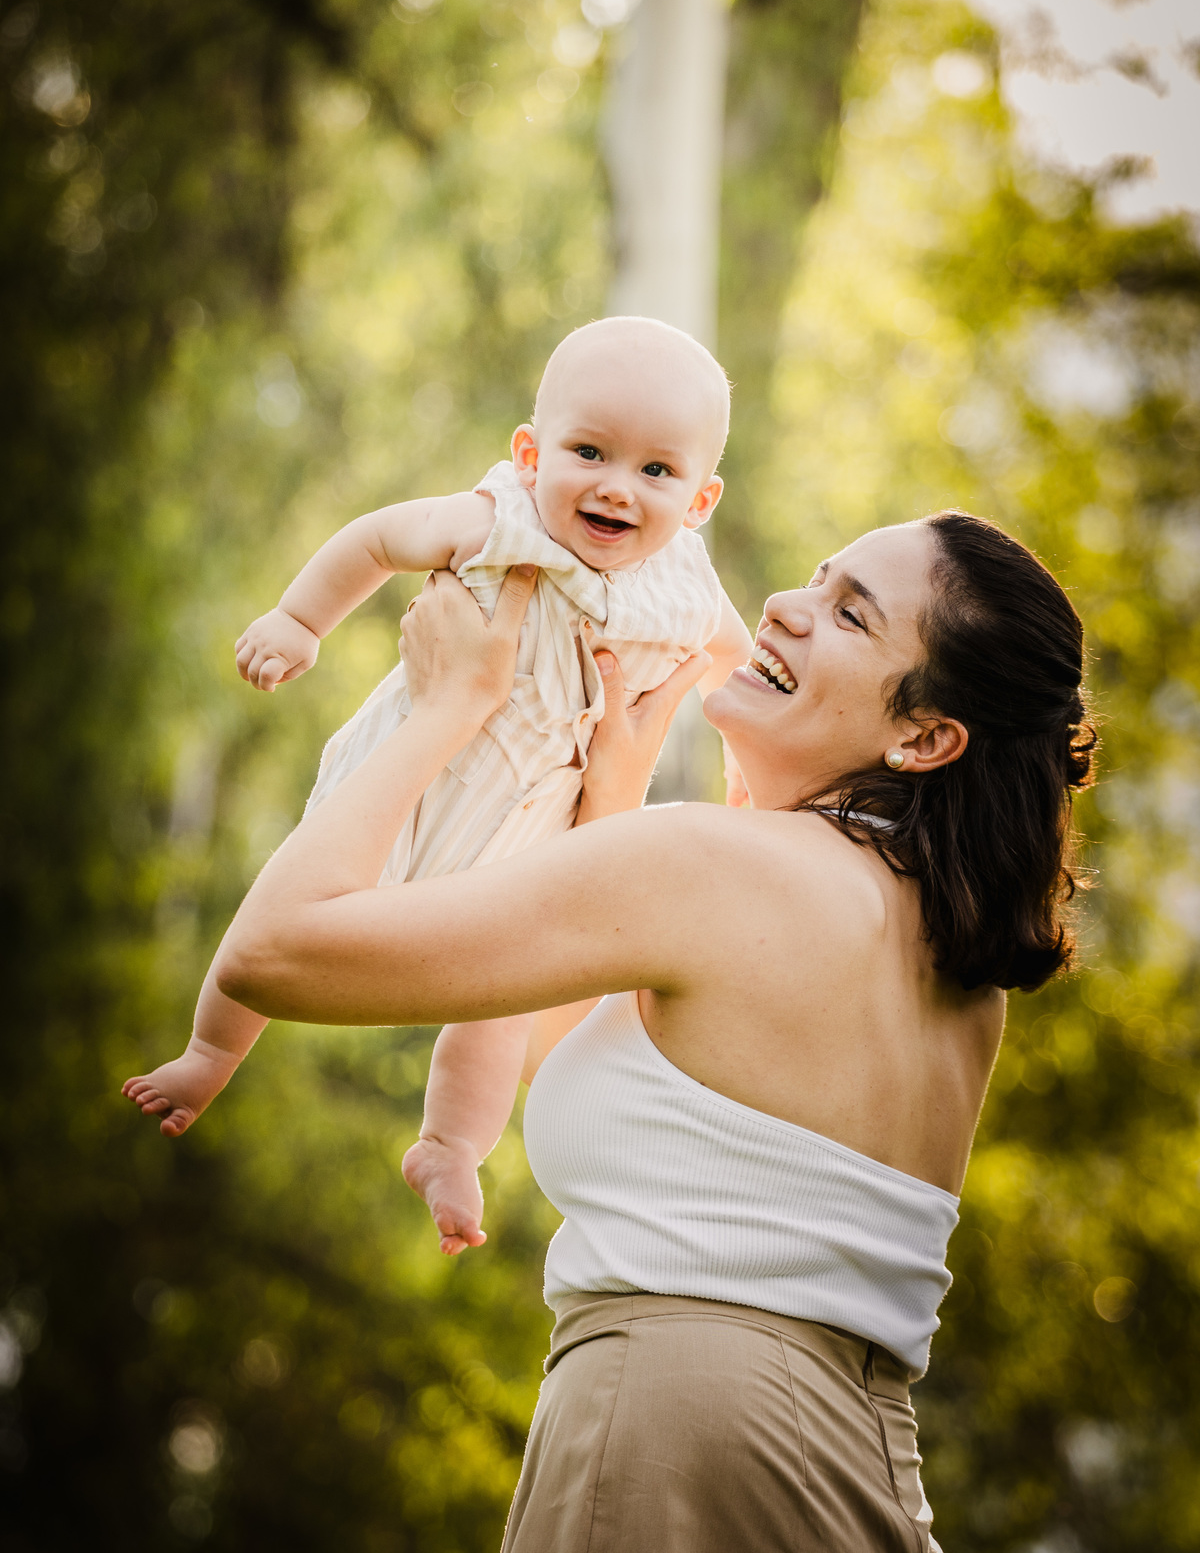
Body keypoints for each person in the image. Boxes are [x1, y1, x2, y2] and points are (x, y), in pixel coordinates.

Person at [211, 509, 1096, 1552]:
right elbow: (589, 1073)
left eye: (851, 616)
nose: (784, 607)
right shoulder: (957, 961)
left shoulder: (717, 867)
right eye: (817, 578)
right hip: (860, 1461)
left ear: (927, 736)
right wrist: (613, 797)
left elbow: (272, 954)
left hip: (676, 1439)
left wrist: (449, 707)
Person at [122, 317, 752, 1256]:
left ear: (699, 500)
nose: (618, 486)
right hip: (414, 786)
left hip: (532, 827)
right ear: (531, 453)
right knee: (293, 907)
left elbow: (733, 669)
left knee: (501, 998)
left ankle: (451, 1146)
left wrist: (746, 773)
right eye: (589, 452)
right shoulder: (498, 519)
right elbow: (379, 539)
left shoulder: (688, 589)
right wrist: (300, 621)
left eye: (656, 470)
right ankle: (210, 1054)